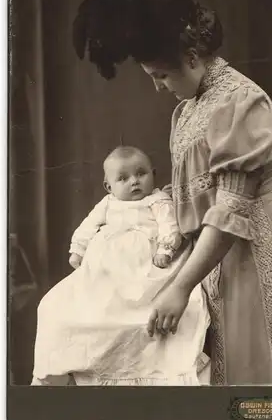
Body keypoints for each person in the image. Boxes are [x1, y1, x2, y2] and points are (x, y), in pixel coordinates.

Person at [72, 0, 272, 385]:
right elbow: (188, 204)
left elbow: (231, 208)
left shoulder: (240, 101)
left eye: (161, 74)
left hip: (260, 245)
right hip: (215, 259)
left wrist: (180, 287)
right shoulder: (185, 113)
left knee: (267, 381)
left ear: (194, 56)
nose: (157, 86)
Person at [31, 146, 210, 386]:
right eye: (123, 178)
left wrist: (165, 250)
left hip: (146, 267)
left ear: (153, 174)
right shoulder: (107, 204)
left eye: (141, 174)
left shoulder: (157, 200)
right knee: (62, 305)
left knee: (144, 301)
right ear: (109, 186)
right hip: (108, 271)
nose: (134, 182)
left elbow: (170, 226)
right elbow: (87, 226)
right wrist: (78, 249)